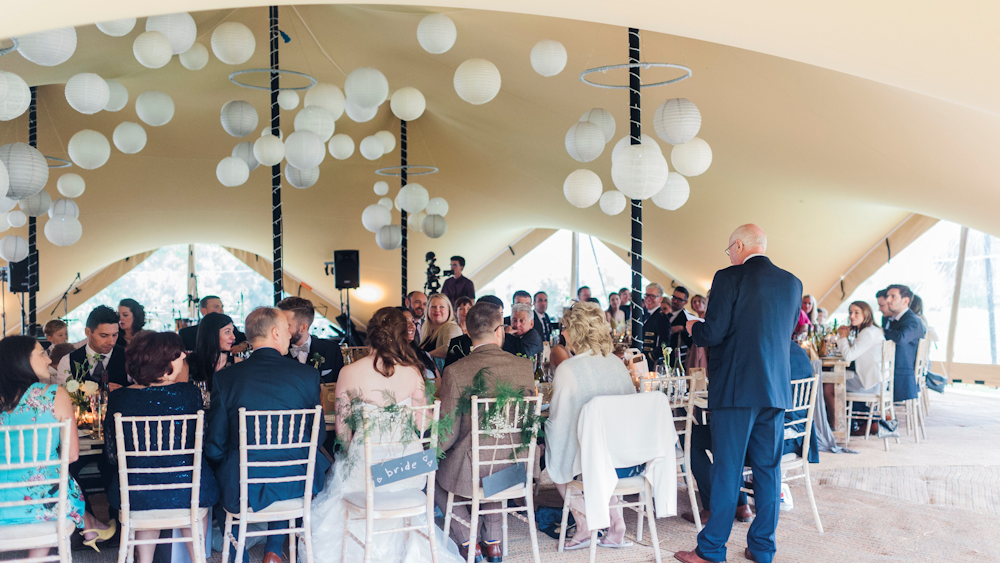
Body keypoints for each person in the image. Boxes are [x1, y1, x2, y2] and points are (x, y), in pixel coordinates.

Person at [677, 224, 801, 563]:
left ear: (740, 245)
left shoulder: (729, 277)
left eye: (729, 249)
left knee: (727, 469)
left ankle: (712, 549)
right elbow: (786, 330)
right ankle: (762, 549)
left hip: (735, 388)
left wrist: (692, 327)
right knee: (767, 469)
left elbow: (713, 332)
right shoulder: (792, 282)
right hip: (774, 389)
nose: (729, 255)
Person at [309, 307, 464, 563]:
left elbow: (342, 431)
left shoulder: (349, 372)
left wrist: (350, 455)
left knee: (342, 477)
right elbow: (422, 422)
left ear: (371, 334)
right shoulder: (413, 371)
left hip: (366, 470)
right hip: (408, 470)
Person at [205, 307, 330, 563]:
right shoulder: (307, 375)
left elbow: (215, 446)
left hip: (245, 484)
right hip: (297, 482)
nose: (289, 336)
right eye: (286, 330)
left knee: (215, 477)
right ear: (275, 333)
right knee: (285, 466)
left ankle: (238, 556)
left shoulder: (226, 378)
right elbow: (316, 439)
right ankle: (274, 550)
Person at [103, 332, 219, 563]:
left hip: (134, 494)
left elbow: (113, 455)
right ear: (165, 362)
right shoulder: (189, 394)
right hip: (187, 491)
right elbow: (202, 442)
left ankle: (144, 560)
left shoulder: (119, 398)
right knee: (194, 491)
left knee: (147, 494)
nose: (184, 359)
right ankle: (198, 558)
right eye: (179, 356)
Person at [436, 303, 536, 562]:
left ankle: (469, 541)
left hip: (474, 468)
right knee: (495, 461)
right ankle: (493, 542)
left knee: (433, 471)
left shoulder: (455, 371)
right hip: (516, 466)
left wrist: (429, 449)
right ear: (500, 330)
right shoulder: (524, 367)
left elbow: (446, 435)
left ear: (467, 332)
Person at [0, 335, 114, 556]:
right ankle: (86, 527)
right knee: (54, 484)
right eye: (41, 354)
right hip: (42, 502)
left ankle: (90, 525)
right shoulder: (52, 395)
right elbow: (71, 455)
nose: (48, 360)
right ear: (20, 360)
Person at [544, 302, 636, 550]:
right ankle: (617, 525)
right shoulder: (617, 363)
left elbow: (558, 418)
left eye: (565, 328)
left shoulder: (568, 368)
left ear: (576, 331)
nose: (562, 333)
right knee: (599, 446)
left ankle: (584, 526)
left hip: (591, 457)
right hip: (624, 453)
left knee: (555, 446)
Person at [827, 301, 885, 432]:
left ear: (867, 314)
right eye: (850, 312)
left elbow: (848, 356)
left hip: (870, 383)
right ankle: (844, 422)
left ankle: (837, 426)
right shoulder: (871, 331)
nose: (852, 316)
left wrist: (842, 337)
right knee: (831, 374)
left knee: (828, 385)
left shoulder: (868, 333)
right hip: (873, 379)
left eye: (856, 312)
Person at [56, 305, 129, 390]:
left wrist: (124, 391)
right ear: (88, 332)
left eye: (114, 335)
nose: (111, 342)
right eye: (104, 335)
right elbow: (63, 397)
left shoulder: (129, 357)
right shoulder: (68, 361)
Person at [277, 296, 344, 383]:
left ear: (303, 328)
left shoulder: (332, 349)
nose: (279, 329)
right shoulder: (276, 353)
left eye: (286, 325)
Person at [443, 296, 524, 367]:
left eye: (501, 314)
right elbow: (449, 376)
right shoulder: (457, 343)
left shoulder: (514, 342)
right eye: (494, 315)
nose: (499, 319)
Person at [883, 284, 926, 403]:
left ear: (905, 301)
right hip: (896, 372)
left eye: (893, 296)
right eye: (887, 296)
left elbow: (901, 338)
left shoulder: (912, 320)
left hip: (902, 376)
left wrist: (881, 331)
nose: (887, 300)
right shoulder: (898, 319)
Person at [190, 312, 240, 392]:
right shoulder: (189, 363)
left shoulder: (237, 363)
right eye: (227, 332)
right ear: (213, 334)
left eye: (232, 332)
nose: (233, 337)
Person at [178, 296, 247, 351]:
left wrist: (244, 344)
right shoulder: (187, 334)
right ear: (204, 311)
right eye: (216, 307)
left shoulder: (230, 329)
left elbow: (248, 339)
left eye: (222, 307)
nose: (221, 310)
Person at [419, 293, 463, 361]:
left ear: (449, 310)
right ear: (427, 310)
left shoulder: (452, 327)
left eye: (442, 307)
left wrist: (426, 355)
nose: (437, 310)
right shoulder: (428, 332)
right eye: (433, 306)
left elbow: (450, 348)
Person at [400, 307, 439, 379]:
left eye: (412, 321)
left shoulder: (424, 354)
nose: (411, 325)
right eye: (405, 321)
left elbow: (439, 382)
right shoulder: (390, 357)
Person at [640, 282, 670, 366]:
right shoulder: (646, 315)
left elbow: (665, 343)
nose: (648, 299)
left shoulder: (662, 317)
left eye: (652, 296)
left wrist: (650, 357)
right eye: (646, 295)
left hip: (652, 364)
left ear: (660, 299)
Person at [666, 287, 694, 366]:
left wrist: (682, 328)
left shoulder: (689, 318)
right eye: (674, 297)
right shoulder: (666, 316)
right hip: (664, 358)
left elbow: (692, 340)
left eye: (679, 299)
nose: (675, 301)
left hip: (679, 361)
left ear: (686, 302)